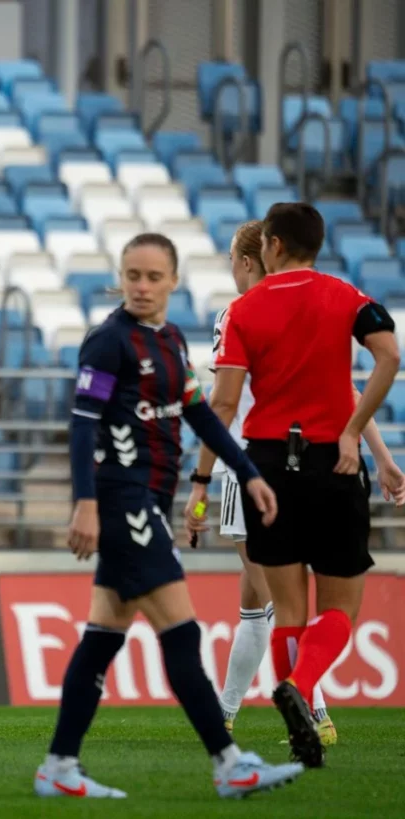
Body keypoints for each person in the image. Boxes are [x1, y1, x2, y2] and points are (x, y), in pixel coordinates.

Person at [35, 233, 304, 800]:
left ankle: (58, 766)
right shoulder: (109, 342)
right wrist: (85, 502)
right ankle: (229, 763)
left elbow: (201, 414)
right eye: (132, 274)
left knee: (103, 636)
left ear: (173, 281)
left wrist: (249, 472)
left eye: (153, 276)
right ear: (121, 277)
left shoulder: (171, 340)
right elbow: (83, 425)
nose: (141, 285)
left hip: (153, 498)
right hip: (123, 498)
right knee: (182, 632)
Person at [187, 203, 400, 768]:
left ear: (272, 246)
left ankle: (291, 708)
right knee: (340, 609)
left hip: (264, 469)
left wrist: (201, 479)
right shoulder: (347, 297)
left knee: (283, 608)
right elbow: (387, 358)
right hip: (334, 462)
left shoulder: (243, 311)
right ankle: (304, 691)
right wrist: (365, 441)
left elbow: (224, 402)